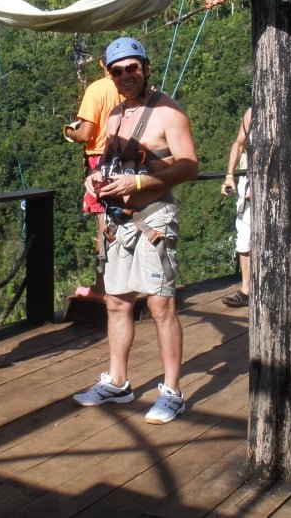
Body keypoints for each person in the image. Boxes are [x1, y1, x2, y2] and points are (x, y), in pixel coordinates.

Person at [72, 37, 198, 425]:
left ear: (145, 67)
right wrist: (96, 180)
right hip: (119, 220)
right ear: (109, 75)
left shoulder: (168, 113)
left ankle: (172, 390)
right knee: (117, 301)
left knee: (160, 305)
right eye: (117, 71)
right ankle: (118, 382)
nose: (126, 76)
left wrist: (139, 185)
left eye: (132, 68)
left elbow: (189, 166)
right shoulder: (114, 117)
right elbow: (110, 162)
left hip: (153, 218)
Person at [63, 53, 122, 296]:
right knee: (125, 217)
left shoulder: (97, 89)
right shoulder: (131, 87)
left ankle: (103, 284)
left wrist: (69, 132)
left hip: (100, 159)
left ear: (102, 63)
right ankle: (125, 279)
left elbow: (86, 134)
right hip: (128, 157)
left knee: (103, 219)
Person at [220, 105, 253, 307]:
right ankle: (247, 289)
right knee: (245, 235)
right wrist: (230, 175)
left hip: (271, 185)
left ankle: (260, 287)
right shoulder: (251, 113)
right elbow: (239, 143)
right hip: (247, 181)